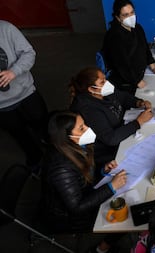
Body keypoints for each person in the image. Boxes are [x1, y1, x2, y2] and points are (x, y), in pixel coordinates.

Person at [41, 111, 128, 252]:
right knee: (126, 215)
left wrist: (103, 171)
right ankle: (101, 249)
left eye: (85, 124)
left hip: (85, 195)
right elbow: (77, 208)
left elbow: (83, 176)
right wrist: (111, 186)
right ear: (67, 137)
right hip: (70, 219)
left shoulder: (77, 147)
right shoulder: (61, 169)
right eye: (81, 128)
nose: (88, 128)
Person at [69, 66, 153, 171]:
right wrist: (138, 122)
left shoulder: (103, 91)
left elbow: (123, 97)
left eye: (105, 79)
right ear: (91, 89)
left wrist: (138, 102)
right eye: (102, 82)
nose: (106, 83)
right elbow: (110, 138)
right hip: (111, 150)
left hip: (124, 129)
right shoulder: (88, 110)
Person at [0, 20, 48, 170]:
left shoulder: (6, 29)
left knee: (44, 127)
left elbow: (28, 53)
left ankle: (58, 156)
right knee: (21, 136)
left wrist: (14, 71)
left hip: (26, 93)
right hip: (3, 106)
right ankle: (36, 162)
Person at [102, 0, 155, 94]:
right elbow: (121, 64)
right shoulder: (114, 36)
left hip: (141, 73)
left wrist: (153, 67)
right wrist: (137, 81)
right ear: (118, 17)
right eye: (125, 15)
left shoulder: (137, 28)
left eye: (132, 13)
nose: (130, 17)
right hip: (126, 81)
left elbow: (145, 48)